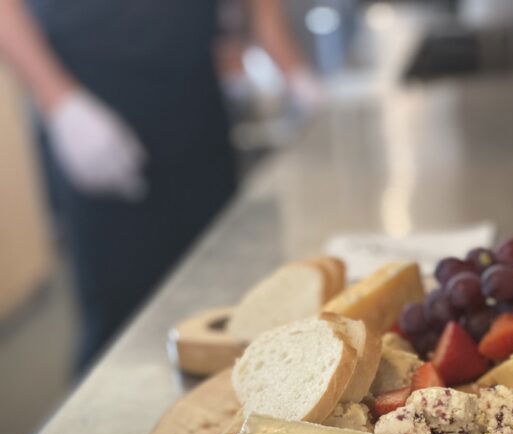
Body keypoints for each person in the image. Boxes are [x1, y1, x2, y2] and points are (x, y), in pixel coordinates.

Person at [0, 0, 317, 372]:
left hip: (195, 102)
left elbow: (262, 12)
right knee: (120, 315)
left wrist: (294, 71)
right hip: (92, 108)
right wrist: (60, 102)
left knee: (222, 290)